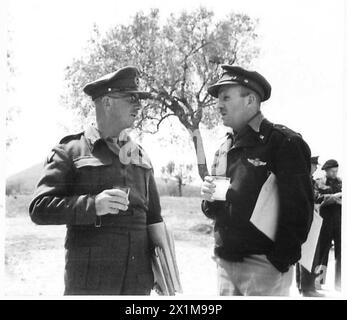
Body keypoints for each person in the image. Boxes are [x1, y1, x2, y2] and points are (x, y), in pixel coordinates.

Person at [29, 66, 163, 295]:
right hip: (91, 286)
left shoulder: (140, 155)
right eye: (131, 98)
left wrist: (163, 270)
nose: (138, 105)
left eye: (138, 99)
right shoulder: (70, 151)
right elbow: (39, 209)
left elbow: (154, 220)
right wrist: (93, 205)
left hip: (136, 286)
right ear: (107, 102)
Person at [200, 65, 314, 296]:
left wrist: (278, 261)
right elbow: (215, 209)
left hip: (263, 266)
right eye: (218, 99)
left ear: (250, 100)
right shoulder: (225, 146)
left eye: (226, 97)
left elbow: (300, 212)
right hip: (225, 262)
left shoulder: (283, 143)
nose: (219, 105)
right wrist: (208, 197)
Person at [296, 156, 324, 297]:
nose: (316, 168)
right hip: (306, 219)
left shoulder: (308, 180)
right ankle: (307, 289)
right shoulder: (305, 180)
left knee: (305, 254)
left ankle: (304, 286)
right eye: (314, 165)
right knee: (309, 254)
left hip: (309, 218)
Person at [314, 159, 342, 291]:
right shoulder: (319, 182)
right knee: (323, 251)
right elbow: (317, 198)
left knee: (341, 252)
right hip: (325, 221)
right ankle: (319, 281)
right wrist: (332, 198)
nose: (334, 173)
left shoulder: (341, 182)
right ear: (325, 170)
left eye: (336, 171)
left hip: (339, 220)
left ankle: (340, 283)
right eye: (332, 171)